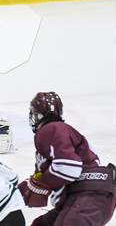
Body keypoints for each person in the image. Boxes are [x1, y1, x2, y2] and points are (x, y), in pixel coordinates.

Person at [18, 92, 115, 226]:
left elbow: (69, 167)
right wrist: (18, 191)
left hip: (87, 197)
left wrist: (41, 183)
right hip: (87, 198)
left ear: (37, 116)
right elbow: (41, 176)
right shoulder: (59, 136)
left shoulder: (52, 129)